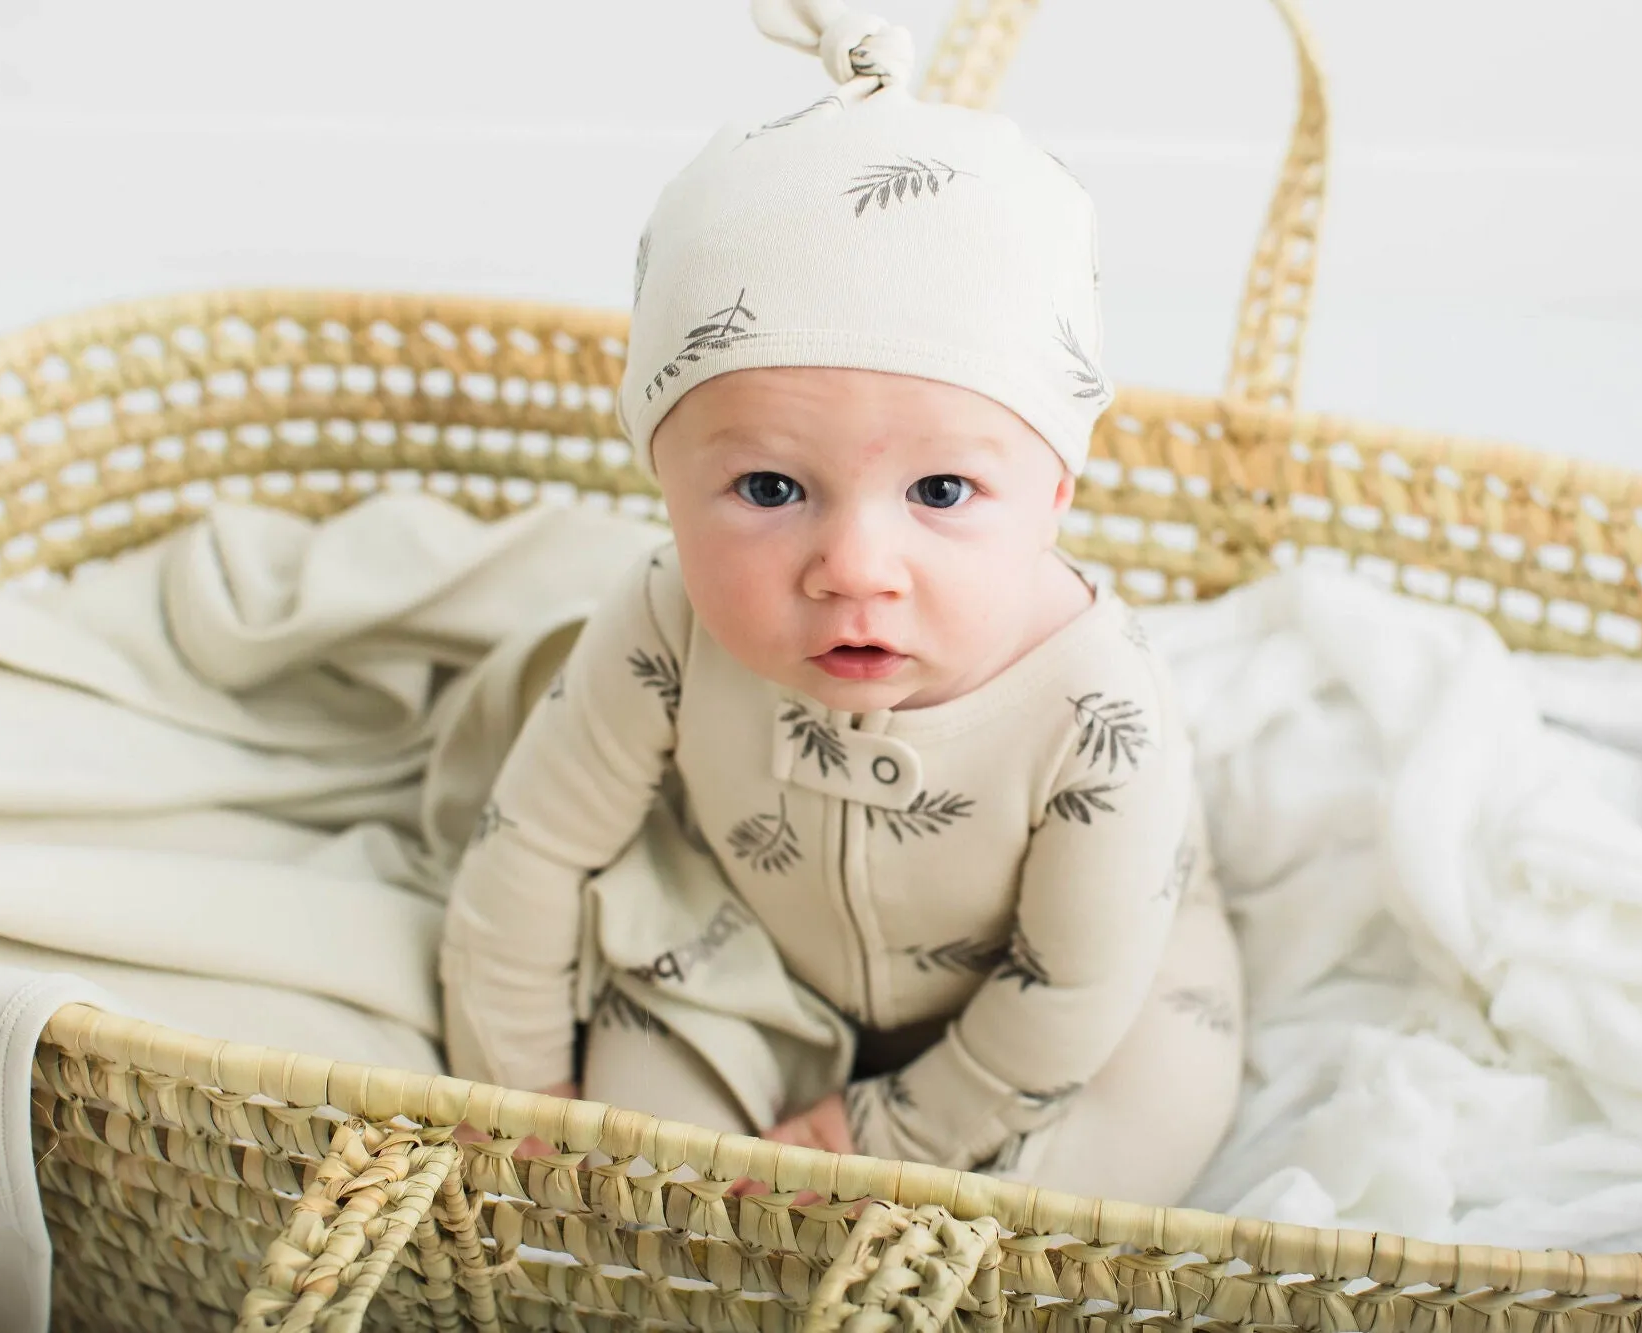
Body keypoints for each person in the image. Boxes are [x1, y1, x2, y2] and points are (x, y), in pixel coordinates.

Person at [438, 0, 1242, 1205]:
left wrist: (892, 1133)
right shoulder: (667, 615)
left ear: (1055, 492)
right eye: (768, 486)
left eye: (940, 489)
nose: (853, 566)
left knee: (1146, 1116)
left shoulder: (1094, 701)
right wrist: (515, 1088)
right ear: (660, 476)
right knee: (630, 1172)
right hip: (744, 953)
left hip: (1052, 1007)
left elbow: (1070, 987)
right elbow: (532, 850)